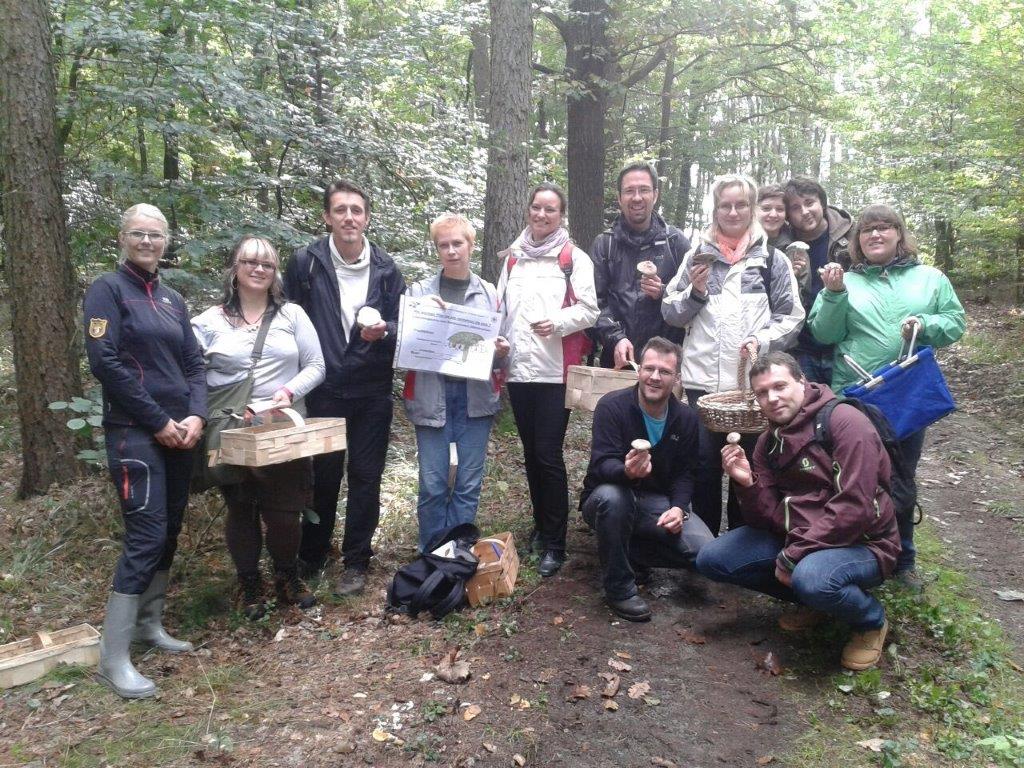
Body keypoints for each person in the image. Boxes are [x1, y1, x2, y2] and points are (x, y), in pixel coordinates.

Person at [696, 352, 900, 670]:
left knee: (811, 577)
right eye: (762, 393)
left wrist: (793, 556)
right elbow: (764, 519)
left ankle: (870, 621)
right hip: (804, 538)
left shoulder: (845, 423)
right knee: (713, 558)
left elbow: (853, 508)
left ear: (802, 381)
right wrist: (746, 484)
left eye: (780, 386)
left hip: (864, 542)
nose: (772, 398)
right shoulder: (768, 442)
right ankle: (818, 600)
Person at [83, 203, 207, 698]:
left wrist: (196, 416)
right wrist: (158, 421)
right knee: (146, 532)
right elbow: (104, 362)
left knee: (170, 526)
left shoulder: (173, 300)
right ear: (123, 237)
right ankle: (113, 660)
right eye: (139, 233)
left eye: (156, 235)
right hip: (135, 433)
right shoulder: (107, 291)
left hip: (183, 432)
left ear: (166, 241)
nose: (148, 242)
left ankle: (149, 626)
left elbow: (194, 363)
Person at [808, 204, 966, 588]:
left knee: (900, 476)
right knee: (849, 475)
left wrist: (926, 323)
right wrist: (833, 294)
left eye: (884, 228)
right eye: (867, 230)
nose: (875, 235)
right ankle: (848, 551)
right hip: (856, 396)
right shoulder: (845, 281)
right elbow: (824, 334)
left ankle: (902, 559)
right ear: (857, 240)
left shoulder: (929, 278)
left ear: (899, 234)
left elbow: (955, 322)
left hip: (907, 394)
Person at [661, 173, 804, 535]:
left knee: (751, 469)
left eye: (741, 204)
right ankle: (706, 544)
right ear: (715, 208)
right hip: (702, 387)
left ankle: (745, 541)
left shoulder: (772, 259)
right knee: (704, 466)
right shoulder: (698, 256)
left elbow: (792, 316)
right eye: (725, 204)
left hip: (753, 389)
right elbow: (669, 311)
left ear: (752, 208)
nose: (733, 211)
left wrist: (763, 340)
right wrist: (695, 292)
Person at [192, 236, 326, 619]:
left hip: (282, 427)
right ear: (234, 267)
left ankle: (287, 576)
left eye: (267, 263)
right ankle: (250, 582)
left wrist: (288, 391)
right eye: (250, 261)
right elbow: (191, 373)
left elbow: (317, 366)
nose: (258, 268)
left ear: (275, 272)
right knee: (241, 507)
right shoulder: (206, 322)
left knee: (285, 509)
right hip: (230, 429)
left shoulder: (292, 316)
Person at [284, 179, 407, 597]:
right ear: (327, 217)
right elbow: (289, 318)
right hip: (325, 387)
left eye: (357, 210)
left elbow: (402, 326)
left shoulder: (388, 269)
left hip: (372, 389)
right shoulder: (306, 263)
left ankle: (356, 560)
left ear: (367, 217)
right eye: (341, 210)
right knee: (322, 476)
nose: (349, 217)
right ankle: (313, 554)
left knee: (366, 476)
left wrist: (384, 331)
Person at [496, 181, 599, 577]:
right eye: (536, 207)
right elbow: (501, 309)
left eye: (550, 210)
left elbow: (589, 310)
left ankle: (556, 542)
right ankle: (540, 528)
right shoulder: (513, 258)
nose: (542, 215)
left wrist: (556, 322)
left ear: (562, 215)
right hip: (519, 372)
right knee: (530, 455)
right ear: (528, 210)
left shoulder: (573, 259)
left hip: (556, 373)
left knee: (548, 455)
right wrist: (499, 344)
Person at [580, 337, 714, 621]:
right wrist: (626, 472)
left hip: (656, 502)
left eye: (664, 372)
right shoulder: (612, 406)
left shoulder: (686, 418)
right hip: (609, 496)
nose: (655, 377)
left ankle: (628, 550)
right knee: (614, 499)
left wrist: (678, 508)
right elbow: (601, 465)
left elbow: (685, 473)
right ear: (638, 369)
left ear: (676, 378)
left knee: (704, 554)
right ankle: (619, 588)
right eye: (649, 368)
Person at [402, 214, 510, 552]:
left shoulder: (489, 293)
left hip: (474, 397)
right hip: (431, 395)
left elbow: (501, 354)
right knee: (433, 482)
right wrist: (422, 320)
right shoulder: (419, 292)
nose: (451, 251)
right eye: (443, 245)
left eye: (457, 243)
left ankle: (458, 551)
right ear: (436, 249)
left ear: (470, 246)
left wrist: (501, 351)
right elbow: (405, 350)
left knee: (468, 482)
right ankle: (432, 553)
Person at [590, 162, 690, 369]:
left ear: (655, 194)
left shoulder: (676, 242)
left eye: (644, 190)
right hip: (617, 361)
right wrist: (615, 337)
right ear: (619, 198)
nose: (637, 198)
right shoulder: (605, 244)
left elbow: (691, 301)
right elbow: (594, 303)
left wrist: (663, 293)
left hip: (665, 364)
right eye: (629, 191)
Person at [783, 177, 854, 385]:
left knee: (846, 408)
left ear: (822, 203)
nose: (804, 212)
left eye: (809, 203)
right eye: (795, 208)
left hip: (844, 344)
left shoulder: (850, 237)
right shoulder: (782, 244)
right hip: (801, 346)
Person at [756, 184, 793, 252]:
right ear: (754, 210)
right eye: (766, 208)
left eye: (780, 209)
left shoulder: (792, 247)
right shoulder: (739, 240)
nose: (773, 215)